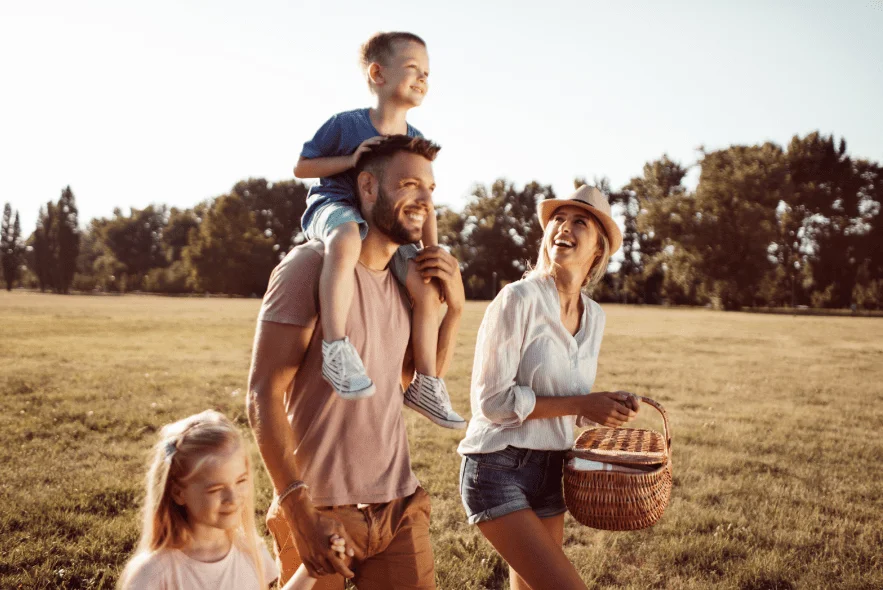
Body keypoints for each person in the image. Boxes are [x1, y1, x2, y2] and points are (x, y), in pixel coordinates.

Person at [248, 135, 465, 589]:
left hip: (399, 507)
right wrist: (297, 511)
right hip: (319, 509)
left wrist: (454, 312)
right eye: (409, 184)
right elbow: (262, 393)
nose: (424, 201)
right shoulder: (308, 267)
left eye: (429, 188)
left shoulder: (409, 287)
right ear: (367, 188)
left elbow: (410, 380)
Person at [457, 185, 642, 590]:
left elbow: (567, 400)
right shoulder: (517, 299)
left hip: (551, 469)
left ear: (598, 248)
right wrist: (581, 403)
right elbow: (492, 403)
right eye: (558, 218)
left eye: (580, 222)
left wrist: (603, 406)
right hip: (496, 466)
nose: (564, 227)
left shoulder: (594, 316)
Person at [293, 31, 464, 429]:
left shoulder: (416, 139)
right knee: (348, 235)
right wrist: (351, 159)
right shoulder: (346, 124)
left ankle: (426, 382)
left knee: (425, 285)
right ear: (377, 73)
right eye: (412, 69)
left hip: (388, 226)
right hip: (336, 206)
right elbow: (303, 167)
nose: (422, 78)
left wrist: (431, 254)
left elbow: (423, 201)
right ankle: (336, 347)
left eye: (426, 72)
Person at [118, 410, 281, 590]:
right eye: (215, 489)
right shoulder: (154, 573)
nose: (232, 498)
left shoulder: (251, 551)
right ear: (178, 493)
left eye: (241, 481)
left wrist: (309, 571)